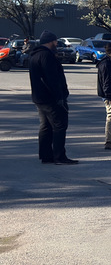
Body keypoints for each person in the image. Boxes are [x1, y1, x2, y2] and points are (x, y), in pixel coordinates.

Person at [29, 30, 76, 165]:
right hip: (51, 98)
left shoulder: (34, 55)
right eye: (55, 41)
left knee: (45, 126)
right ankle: (59, 156)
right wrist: (59, 96)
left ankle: (46, 155)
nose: (56, 43)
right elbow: (52, 79)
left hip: (39, 98)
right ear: (50, 42)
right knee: (60, 126)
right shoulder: (46, 56)